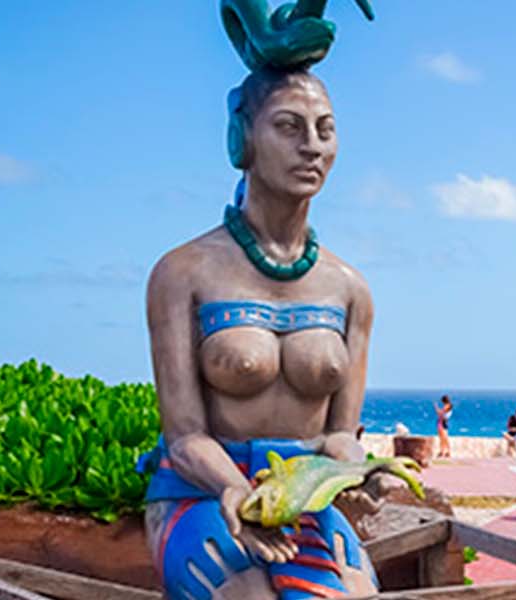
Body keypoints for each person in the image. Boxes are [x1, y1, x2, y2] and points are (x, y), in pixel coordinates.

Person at [137, 4, 381, 598]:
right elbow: (186, 436)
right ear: (241, 137)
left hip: (304, 501)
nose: (312, 147)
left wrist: (361, 468)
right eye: (289, 127)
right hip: (202, 495)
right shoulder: (182, 273)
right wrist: (234, 489)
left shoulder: (349, 288)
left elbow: (338, 433)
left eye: (325, 128)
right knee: (247, 593)